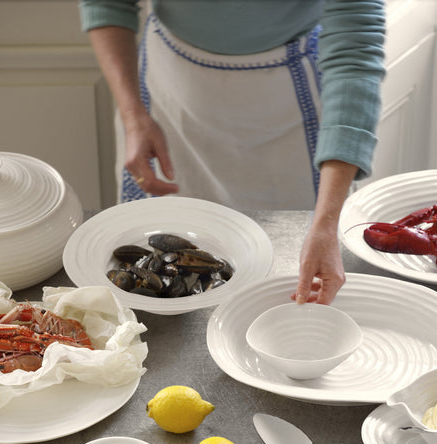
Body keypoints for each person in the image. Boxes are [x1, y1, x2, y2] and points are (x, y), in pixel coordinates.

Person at [78, 0, 386, 305]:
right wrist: (133, 116)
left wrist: (326, 225)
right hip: (168, 99)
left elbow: (355, 44)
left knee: (286, 285)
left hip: (289, 101)